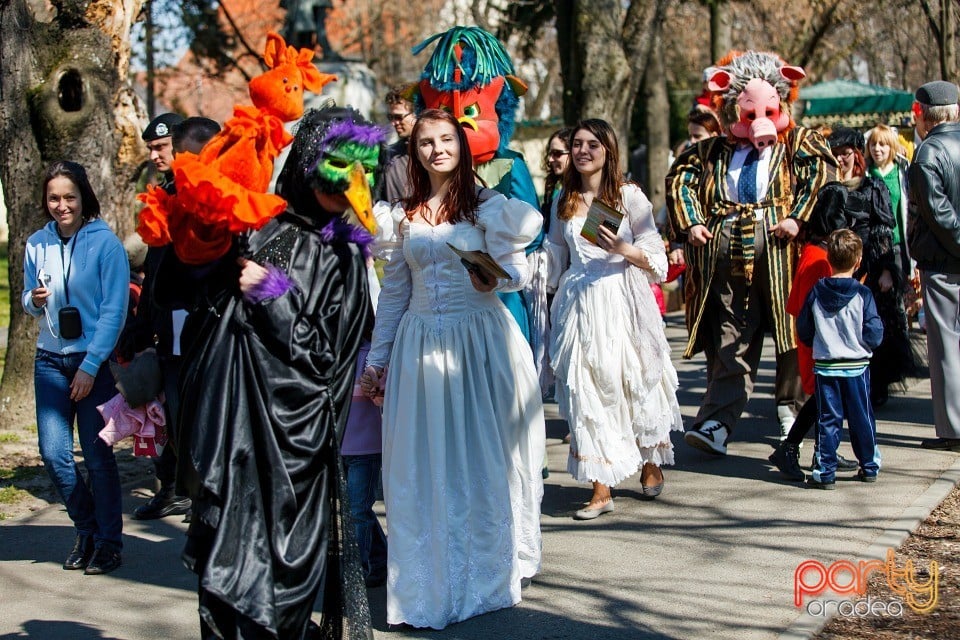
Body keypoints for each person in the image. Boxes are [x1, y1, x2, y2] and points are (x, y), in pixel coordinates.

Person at [176, 106, 384, 639]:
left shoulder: (343, 256)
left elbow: (325, 361)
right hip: (234, 431)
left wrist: (274, 297)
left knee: (280, 585)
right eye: (340, 166)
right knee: (223, 577)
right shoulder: (262, 227)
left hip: (294, 451)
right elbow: (197, 303)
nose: (350, 184)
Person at [361, 108, 545, 630]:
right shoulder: (402, 214)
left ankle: (488, 570)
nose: (437, 148)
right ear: (413, 150)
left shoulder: (487, 205)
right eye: (426, 142)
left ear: (461, 147)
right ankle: (429, 579)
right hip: (420, 348)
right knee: (426, 461)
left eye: (446, 139)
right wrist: (378, 362)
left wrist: (497, 281)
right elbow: (395, 292)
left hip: (480, 343)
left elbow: (517, 270)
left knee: (483, 457)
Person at [666, 51, 835, 454]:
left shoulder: (797, 142)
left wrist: (797, 217)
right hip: (726, 253)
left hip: (781, 252)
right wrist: (690, 222)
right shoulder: (715, 151)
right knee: (730, 338)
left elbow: (820, 175)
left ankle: (791, 409)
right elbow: (680, 179)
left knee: (791, 329)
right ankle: (716, 424)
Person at [545, 119, 682, 519]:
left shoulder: (628, 197)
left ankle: (650, 459)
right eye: (577, 145)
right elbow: (555, 255)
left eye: (592, 145)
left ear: (608, 151)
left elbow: (655, 256)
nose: (583, 151)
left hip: (621, 297)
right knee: (585, 389)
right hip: (579, 304)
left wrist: (625, 248)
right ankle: (600, 488)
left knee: (632, 381)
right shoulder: (563, 199)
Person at [22, 161, 129, 574]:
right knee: (53, 453)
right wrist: (34, 299)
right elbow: (28, 304)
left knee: (98, 458)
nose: (61, 205)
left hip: (93, 363)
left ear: (84, 198)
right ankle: (86, 528)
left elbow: (113, 312)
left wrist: (90, 365)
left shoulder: (106, 245)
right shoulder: (36, 243)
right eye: (54, 198)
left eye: (69, 197)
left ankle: (108, 543)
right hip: (49, 359)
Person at [120, 116, 221, 521]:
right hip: (171, 333)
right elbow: (156, 270)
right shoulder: (164, 195)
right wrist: (140, 328)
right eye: (152, 149)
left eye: (162, 147)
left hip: (210, 330)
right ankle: (181, 491)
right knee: (175, 420)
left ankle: (208, 499)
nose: (155, 155)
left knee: (206, 420)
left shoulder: (208, 196)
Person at [798, 229, 884, 488]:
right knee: (862, 417)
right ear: (858, 260)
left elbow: (803, 328)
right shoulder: (862, 294)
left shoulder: (815, 292)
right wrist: (866, 343)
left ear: (829, 259)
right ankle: (868, 465)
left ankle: (825, 470)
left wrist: (818, 342)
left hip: (826, 365)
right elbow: (874, 330)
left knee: (827, 419)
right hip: (856, 366)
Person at [907, 80, 960, 452]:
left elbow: (939, 216)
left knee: (946, 347)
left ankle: (954, 429)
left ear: (924, 115)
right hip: (947, 258)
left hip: (943, 263)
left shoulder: (928, 153)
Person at [866, 123, 920, 406]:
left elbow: (907, 215)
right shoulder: (863, 174)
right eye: (874, 144)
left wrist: (911, 264)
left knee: (895, 314)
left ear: (891, 147)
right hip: (871, 252)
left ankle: (890, 373)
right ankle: (875, 378)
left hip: (898, 250)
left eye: (883, 144)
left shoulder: (902, 175)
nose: (877, 149)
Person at [381, 85, 417, 203]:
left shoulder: (437, 154)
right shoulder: (387, 156)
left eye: (398, 117)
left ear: (417, 114)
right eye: (390, 117)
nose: (393, 123)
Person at [142, 112, 184, 189]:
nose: (153, 156)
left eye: (159, 147)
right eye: (150, 149)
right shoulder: (161, 192)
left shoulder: (203, 185)